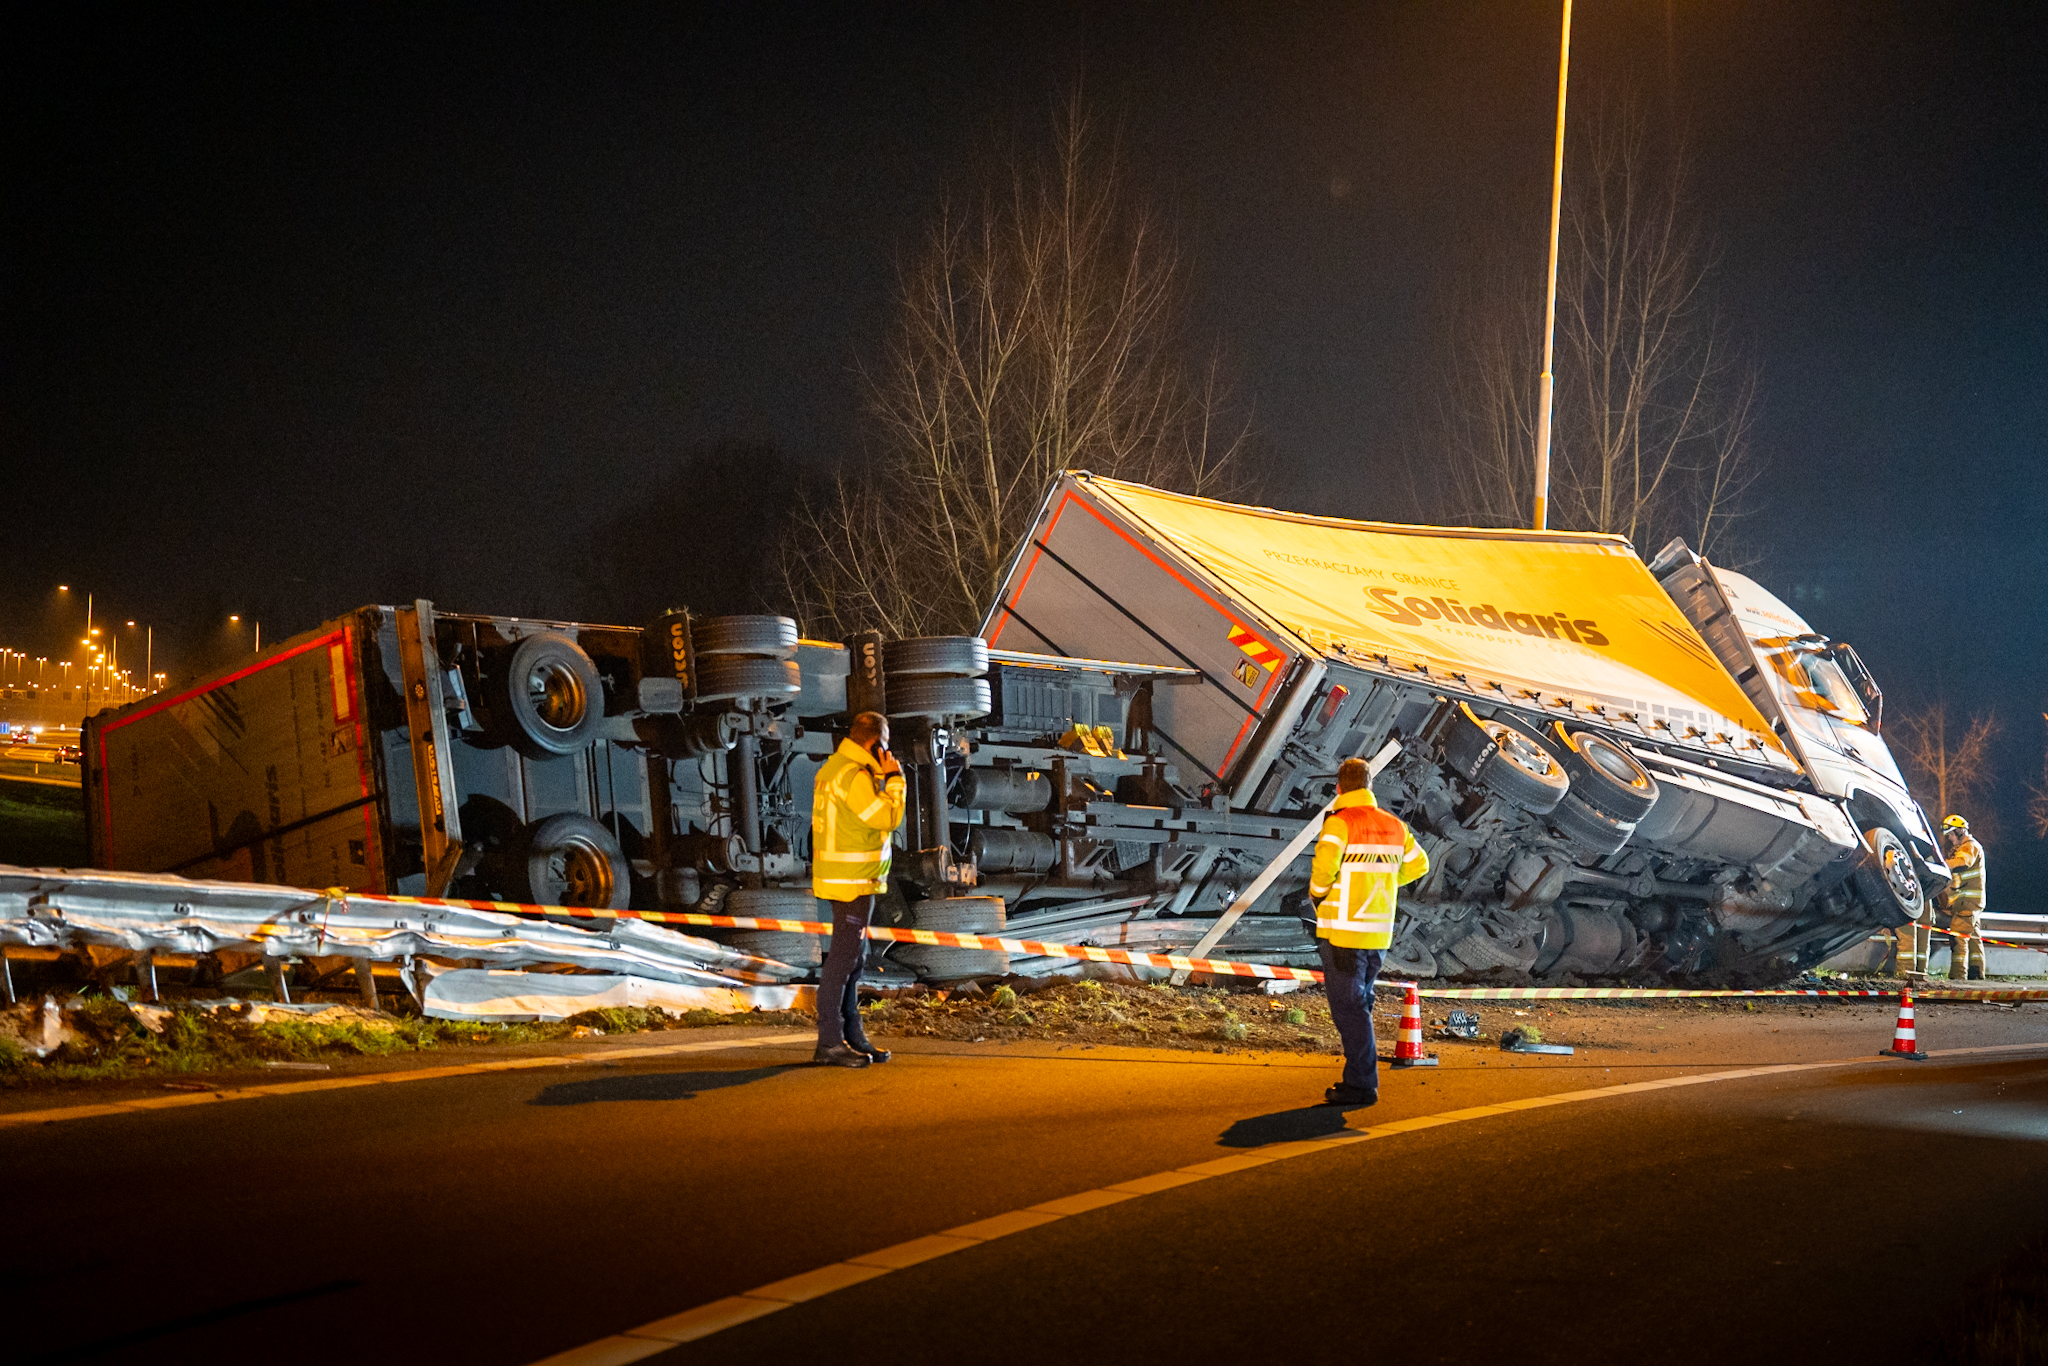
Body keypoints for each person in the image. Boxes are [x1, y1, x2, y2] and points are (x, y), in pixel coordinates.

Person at [1309, 756, 1430, 1108]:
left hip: (1344, 934)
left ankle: (1362, 1083)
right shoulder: (1393, 825)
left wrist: (1318, 895)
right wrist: (1387, 880)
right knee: (1359, 1005)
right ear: (1370, 786)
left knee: (1349, 1009)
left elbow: (1323, 871)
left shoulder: (1340, 824)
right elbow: (1420, 864)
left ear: (1339, 787)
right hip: (1377, 934)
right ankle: (1359, 1078)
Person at [810, 710, 907, 1067]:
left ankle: (852, 1036)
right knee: (842, 962)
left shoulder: (835, 769)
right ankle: (830, 1042)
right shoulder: (854, 775)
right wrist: (895, 780)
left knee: (854, 959)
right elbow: (887, 818)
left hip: (849, 878)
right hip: (851, 881)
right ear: (876, 743)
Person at [1942, 814, 1987, 982]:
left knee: (1958, 938)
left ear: (1961, 831)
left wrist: (1942, 865)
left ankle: (1958, 977)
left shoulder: (1969, 847)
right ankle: (1976, 975)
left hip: (1967, 902)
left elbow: (1962, 863)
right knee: (1973, 939)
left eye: (1952, 834)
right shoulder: (1968, 847)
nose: (1950, 838)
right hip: (1970, 902)